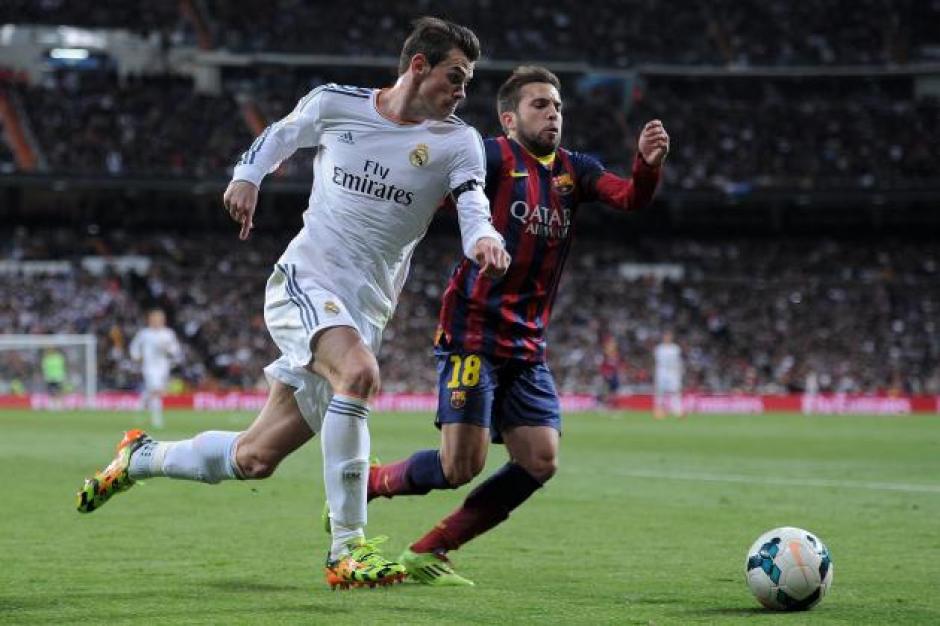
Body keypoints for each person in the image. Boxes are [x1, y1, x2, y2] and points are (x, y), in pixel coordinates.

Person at [75, 17, 510, 591]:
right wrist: (248, 175)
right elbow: (282, 134)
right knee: (359, 374)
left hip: (366, 309)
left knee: (255, 458)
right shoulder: (337, 103)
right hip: (306, 280)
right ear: (418, 65)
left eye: (468, 82)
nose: (462, 91)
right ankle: (347, 551)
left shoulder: (458, 142)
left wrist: (485, 238)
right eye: (455, 77)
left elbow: (473, 203)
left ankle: (141, 457)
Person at [365, 66, 669, 585]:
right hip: (472, 333)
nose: (553, 114)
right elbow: (433, 191)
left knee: (540, 460)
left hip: (526, 344)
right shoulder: (489, 157)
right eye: (540, 105)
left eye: (558, 106)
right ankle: (369, 482)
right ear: (509, 119)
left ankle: (430, 549)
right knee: (460, 467)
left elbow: (630, 198)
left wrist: (646, 166)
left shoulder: (575, 170)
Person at [129, 308, 182, 428]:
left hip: (163, 366)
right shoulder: (144, 334)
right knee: (156, 390)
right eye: (155, 318)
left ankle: (139, 407)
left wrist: (168, 349)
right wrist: (137, 357)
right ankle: (157, 419)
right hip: (149, 367)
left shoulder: (168, 333)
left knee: (154, 391)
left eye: (160, 318)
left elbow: (175, 350)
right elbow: (134, 347)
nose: (157, 321)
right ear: (150, 319)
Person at [653, 330, 683, 419]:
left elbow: (678, 361)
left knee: (675, 391)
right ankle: (659, 411)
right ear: (663, 337)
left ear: (671, 337)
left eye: (669, 336)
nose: (667, 338)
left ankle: (677, 411)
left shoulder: (675, 348)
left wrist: (678, 372)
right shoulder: (659, 348)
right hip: (662, 371)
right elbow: (657, 362)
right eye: (666, 336)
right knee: (660, 392)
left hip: (672, 372)